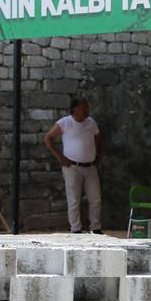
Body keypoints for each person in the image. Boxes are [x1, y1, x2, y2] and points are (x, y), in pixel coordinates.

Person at [43, 98, 103, 234]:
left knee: (95, 198)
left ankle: (96, 227)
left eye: (87, 107)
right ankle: (76, 229)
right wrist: (60, 158)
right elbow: (48, 138)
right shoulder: (65, 123)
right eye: (84, 108)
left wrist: (98, 156)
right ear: (75, 109)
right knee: (74, 199)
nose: (87, 110)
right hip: (72, 166)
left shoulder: (91, 122)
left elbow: (98, 139)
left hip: (90, 165)